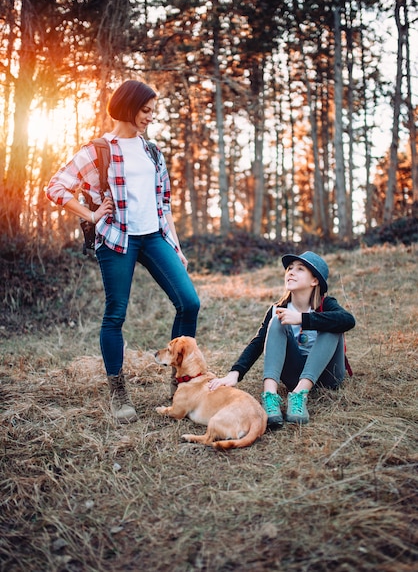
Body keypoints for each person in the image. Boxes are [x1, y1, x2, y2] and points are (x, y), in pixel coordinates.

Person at [46, 79, 200, 424]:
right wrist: (90, 214)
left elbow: (164, 204)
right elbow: (55, 187)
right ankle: (118, 392)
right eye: (145, 111)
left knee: (189, 302)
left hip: (154, 237)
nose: (149, 117)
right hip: (117, 240)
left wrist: (176, 246)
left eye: (151, 112)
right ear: (129, 107)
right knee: (116, 314)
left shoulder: (152, 151)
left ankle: (178, 384)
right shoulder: (98, 150)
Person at [208, 251, 355, 427]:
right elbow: (258, 343)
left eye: (300, 269)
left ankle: (300, 395)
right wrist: (235, 373)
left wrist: (302, 319)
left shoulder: (326, 304)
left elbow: (348, 321)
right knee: (277, 320)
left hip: (328, 375)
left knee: (334, 323)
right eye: (290, 268)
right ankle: (270, 397)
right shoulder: (278, 309)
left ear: (314, 281)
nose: (291, 272)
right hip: (294, 375)